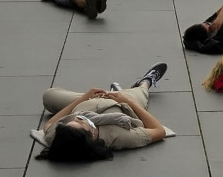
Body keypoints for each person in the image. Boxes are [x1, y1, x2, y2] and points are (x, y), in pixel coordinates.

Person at [36, 62, 168, 161]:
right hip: (122, 104)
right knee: (141, 92)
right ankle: (145, 82)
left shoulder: (60, 136)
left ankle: (111, 92)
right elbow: (159, 130)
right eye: (81, 123)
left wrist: (83, 98)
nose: (78, 118)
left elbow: (49, 125)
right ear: (92, 135)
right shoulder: (120, 137)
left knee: (49, 96)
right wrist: (128, 101)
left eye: (72, 121)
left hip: (85, 102)